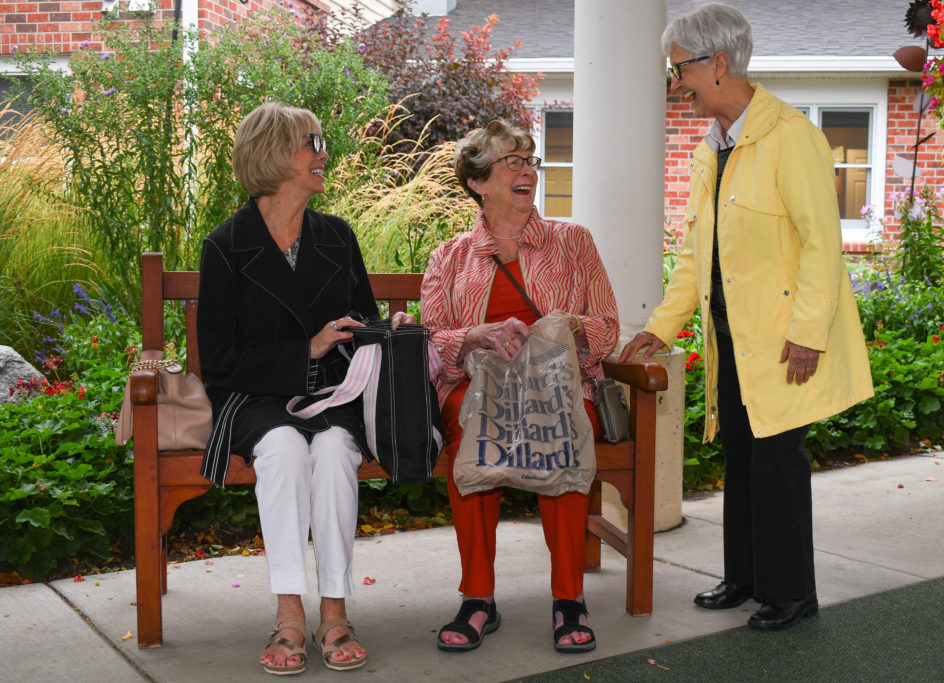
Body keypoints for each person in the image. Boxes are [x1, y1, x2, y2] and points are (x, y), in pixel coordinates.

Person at [620, 3, 874, 631]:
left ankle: (791, 592)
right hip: (730, 335)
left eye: (680, 69)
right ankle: (746, 577)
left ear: (719, 63)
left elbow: (822, 242)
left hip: (785, 338)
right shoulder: (714, 149)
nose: (675, 82)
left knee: (778, 456)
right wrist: (663, 324)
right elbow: (693, 252)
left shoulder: (792, 136)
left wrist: (809, 333)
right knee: (739, 451)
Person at [197, 102, 415, 674]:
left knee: (336, 450)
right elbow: (218, 361)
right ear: (273, 154)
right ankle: (290, 612)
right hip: (255, 398)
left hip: (332, 397)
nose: (324, 153)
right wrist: (306, 349)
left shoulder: (337, 237)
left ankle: (335, 611)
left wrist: (380, 333)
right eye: (311, 142)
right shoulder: (224, 246)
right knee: (286, 450)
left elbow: (364, 323)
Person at [420, 119, 619, 653]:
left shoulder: (573, 242)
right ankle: (478, 599)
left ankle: (569, 597)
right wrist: (476, 335)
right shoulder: (450, 256)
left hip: (559, 381)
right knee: (471, 425)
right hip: (481, 384)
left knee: (563, 422)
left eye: (530, 160)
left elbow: (606, 327)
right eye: (513, 160)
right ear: (479, 182)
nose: (527, 169)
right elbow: (434, 339)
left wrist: (568, 326)